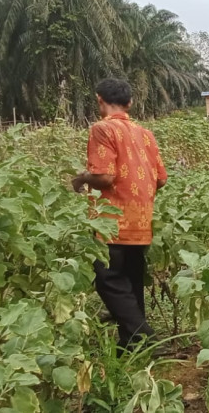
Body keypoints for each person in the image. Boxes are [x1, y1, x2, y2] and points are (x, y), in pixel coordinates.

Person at [73, 78, 168, 355]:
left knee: (108, 280)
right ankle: (130, 346)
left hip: (112, 220)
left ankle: (146, 337)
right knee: (130, 281)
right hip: (141, 219)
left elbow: (104, 176)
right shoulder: (145, 134)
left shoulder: (102, 129)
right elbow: (161, 179)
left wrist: (81, 179)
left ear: (99, 99)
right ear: (130, 103)